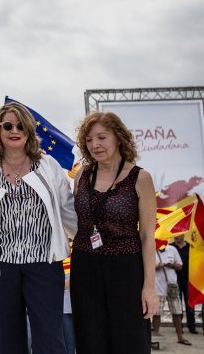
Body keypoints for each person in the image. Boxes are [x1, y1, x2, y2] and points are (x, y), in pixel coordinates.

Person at [0, 101, 77, 354]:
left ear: (29, 131)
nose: (14, 130)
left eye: (21, 125)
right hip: (0, 270)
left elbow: (69, 211)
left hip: (45, 265)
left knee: (50, 341)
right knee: (7, 342)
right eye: (8, 125)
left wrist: (93, 241)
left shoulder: (49, 166)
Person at [70, 111, 158, 353]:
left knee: (128, 341)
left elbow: (148, 236)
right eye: (89, 140)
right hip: (85, 267)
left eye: (101, 137)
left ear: (118, 137)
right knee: (90, 339)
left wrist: (149, 287)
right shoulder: (82, 176)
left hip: (126, 270)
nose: (95, 145)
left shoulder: (140, 178)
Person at [153, 245, 191, 345]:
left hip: (172, 285)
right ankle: (155, 337)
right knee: (157, 313)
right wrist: (157, 267)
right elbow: (146, 267)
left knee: (177, 311)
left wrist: (172, 265)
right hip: (157, 286)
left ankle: (180, 337)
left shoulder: (172, 249)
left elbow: (180, 266)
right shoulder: (151, 249)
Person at [172, 234, 199, 334]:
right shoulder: (171, 247)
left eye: (178, 235)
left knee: (190, 304)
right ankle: (179, 327)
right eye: (174, 236)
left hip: (188, 280)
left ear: (183, 235)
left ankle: (191, 326)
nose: (176, 237)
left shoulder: (190, 247)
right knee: (177, 305)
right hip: (175, 281)